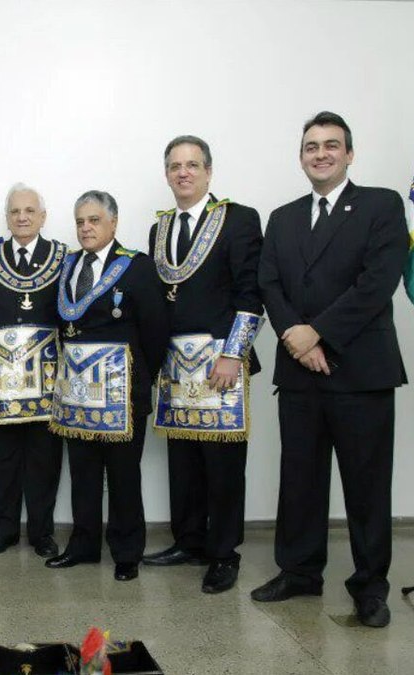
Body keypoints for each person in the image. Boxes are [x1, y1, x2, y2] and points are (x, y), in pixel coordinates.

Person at [254, 111, 408, 628]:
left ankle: (370, 587)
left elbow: (377, 282)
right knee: (299, 478)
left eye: (330, 145)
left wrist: (316, 333)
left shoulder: (381, 205)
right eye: (311, 146)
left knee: (366, 486)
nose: (320, 153)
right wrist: (297, 341)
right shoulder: (283, 217)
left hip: (360, 370)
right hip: (300, 372)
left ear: (349, 153)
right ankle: (299, 572)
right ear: (301, 156)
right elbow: (269, 285)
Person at [142, 136, 264, 594]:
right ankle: (188, 541)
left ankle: (223, 553)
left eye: (193, 165)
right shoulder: (159, 229)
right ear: (167, 174)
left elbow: (250, 292)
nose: (183, 173)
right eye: (175, 165)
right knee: (183, 461)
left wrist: (235, 353)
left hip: (220, 360)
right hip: (176, 364)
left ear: (209, 172)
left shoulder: (238, 219)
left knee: (223, 464)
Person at [45, 190, 168, 582]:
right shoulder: (67, 266)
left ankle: (127, 552)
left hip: (122, 393)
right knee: (82, 473)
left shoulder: (136, 266)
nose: (86, 228)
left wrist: (137, 381)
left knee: (123, 476)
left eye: (94, 220)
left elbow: (154, 331)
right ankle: (82, 546)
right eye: (80, 221)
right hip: (77, 392)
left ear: (113, 223)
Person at [0, 183, 66, 558]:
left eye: (29, 211)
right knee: (1, 458)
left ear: (43, 216)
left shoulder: (63, 257)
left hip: (48, 377)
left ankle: (42, 533)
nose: (22, 218)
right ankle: (3, 531)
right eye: (15, 212)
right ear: (7, 217)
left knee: (44, 459)